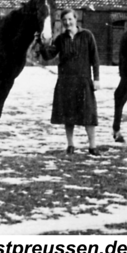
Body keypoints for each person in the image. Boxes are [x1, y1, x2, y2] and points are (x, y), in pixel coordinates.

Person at [38, 8, 101, 155]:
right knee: (68, 115)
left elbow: (95, 59)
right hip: (66, 82)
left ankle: (92, 146)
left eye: (70, 19)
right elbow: (48, 56)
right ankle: (70, 145)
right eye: (64, 20)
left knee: (88, 116)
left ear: (75, 19)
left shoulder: (87, 35)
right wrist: (42, 45)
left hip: (84, 81)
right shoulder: (60, 39)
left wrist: (96, 79)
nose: (67, 22)